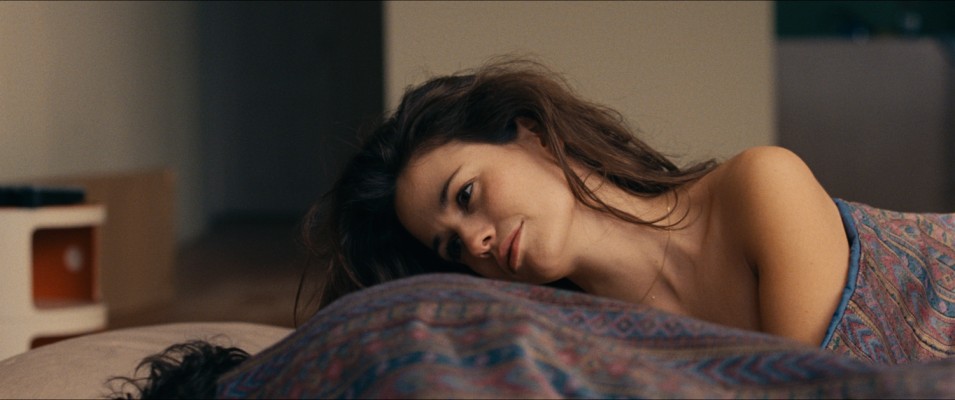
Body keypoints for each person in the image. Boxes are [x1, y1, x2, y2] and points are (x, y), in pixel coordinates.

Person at [115, 58, 955, 398]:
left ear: (525, 134)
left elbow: (824, 387)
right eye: (451, 244)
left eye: (468, 195)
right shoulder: (575, 333)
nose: (475, 239)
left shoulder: (755, 187)